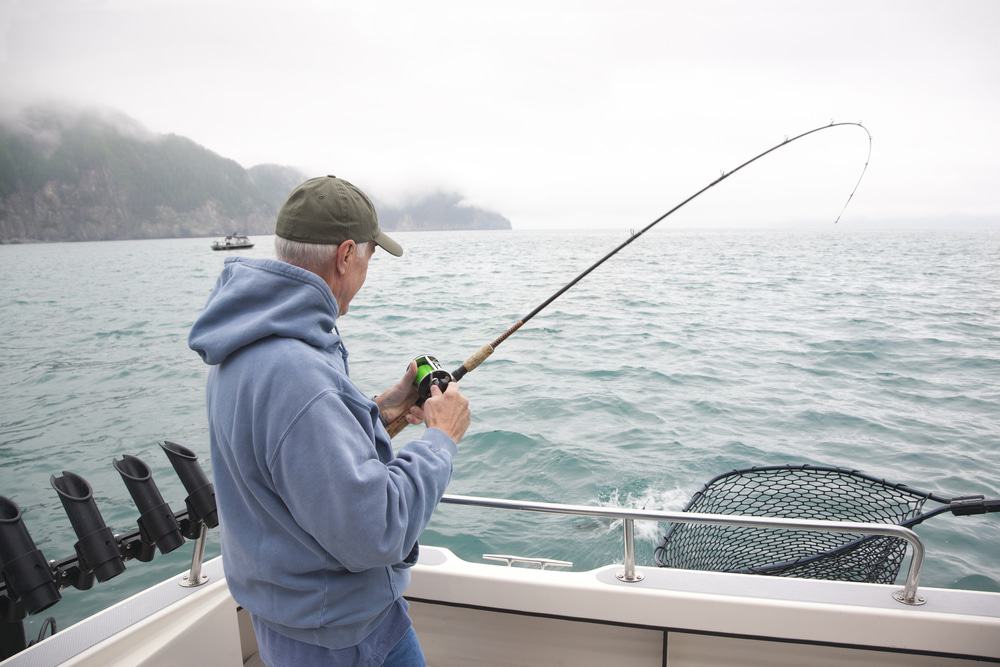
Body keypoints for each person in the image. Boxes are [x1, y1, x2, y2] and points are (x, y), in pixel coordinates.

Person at [188, 175, 470, 666]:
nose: (366, 272)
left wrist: (382, 409)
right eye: (368, 258)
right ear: (345, 255)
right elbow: (376, 530)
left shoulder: (244, 346)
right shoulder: (301, 376)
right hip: (344, 639)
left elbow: (295, 461)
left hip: (289, 624)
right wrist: (440, 438)